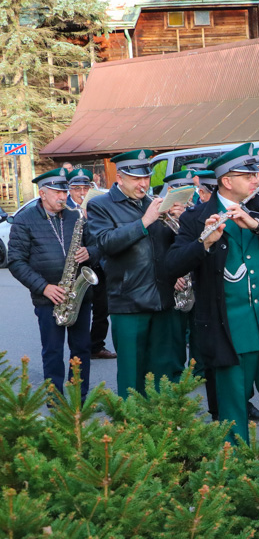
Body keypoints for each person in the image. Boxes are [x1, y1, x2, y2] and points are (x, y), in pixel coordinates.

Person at [164, 142, 259, 443]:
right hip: (229, 329)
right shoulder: (195, 217)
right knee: (232, 405)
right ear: (227, 181)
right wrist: (204, 242)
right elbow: (171, 265)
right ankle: (236, 470)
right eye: (249, 175)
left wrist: (256, 225)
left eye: (257, 174)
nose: (258, 179)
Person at [87, 150, 187, 396]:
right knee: (132, 375)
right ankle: (130, 429)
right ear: (120, 178)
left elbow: (168, 248)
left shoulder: (151, 202)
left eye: (146, 178)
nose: (143, 184)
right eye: (136, 179)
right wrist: (145, 221)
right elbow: (105, 244)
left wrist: (180, 222)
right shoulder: (100, 205)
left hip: (162, 300)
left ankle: (162, 427)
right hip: (128, 302)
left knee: (162, 372)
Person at [8, 168, 99, 400]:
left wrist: (90, 252)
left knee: (81, 348)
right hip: (48, 297)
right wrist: (44, 287)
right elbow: (16, 262)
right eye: (57, 192)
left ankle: (80, 396)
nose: (63, 197)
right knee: (53, 351)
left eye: (64, 192)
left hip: (78, 296)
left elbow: (98, 248)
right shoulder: (24, 220)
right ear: (42, 193)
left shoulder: (76, 217)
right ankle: (54, 397)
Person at [65, 169, 115, 361]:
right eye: (77, 189)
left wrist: (92, 252)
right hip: (76, 268)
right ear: (69, 190)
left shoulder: (97, 207)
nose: (82, 193)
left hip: (98, 265)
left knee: (102, 308)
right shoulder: (66, 209)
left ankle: (96, 346)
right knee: (79, 309)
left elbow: (105, 238)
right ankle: (79, 349)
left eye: (85, 188)